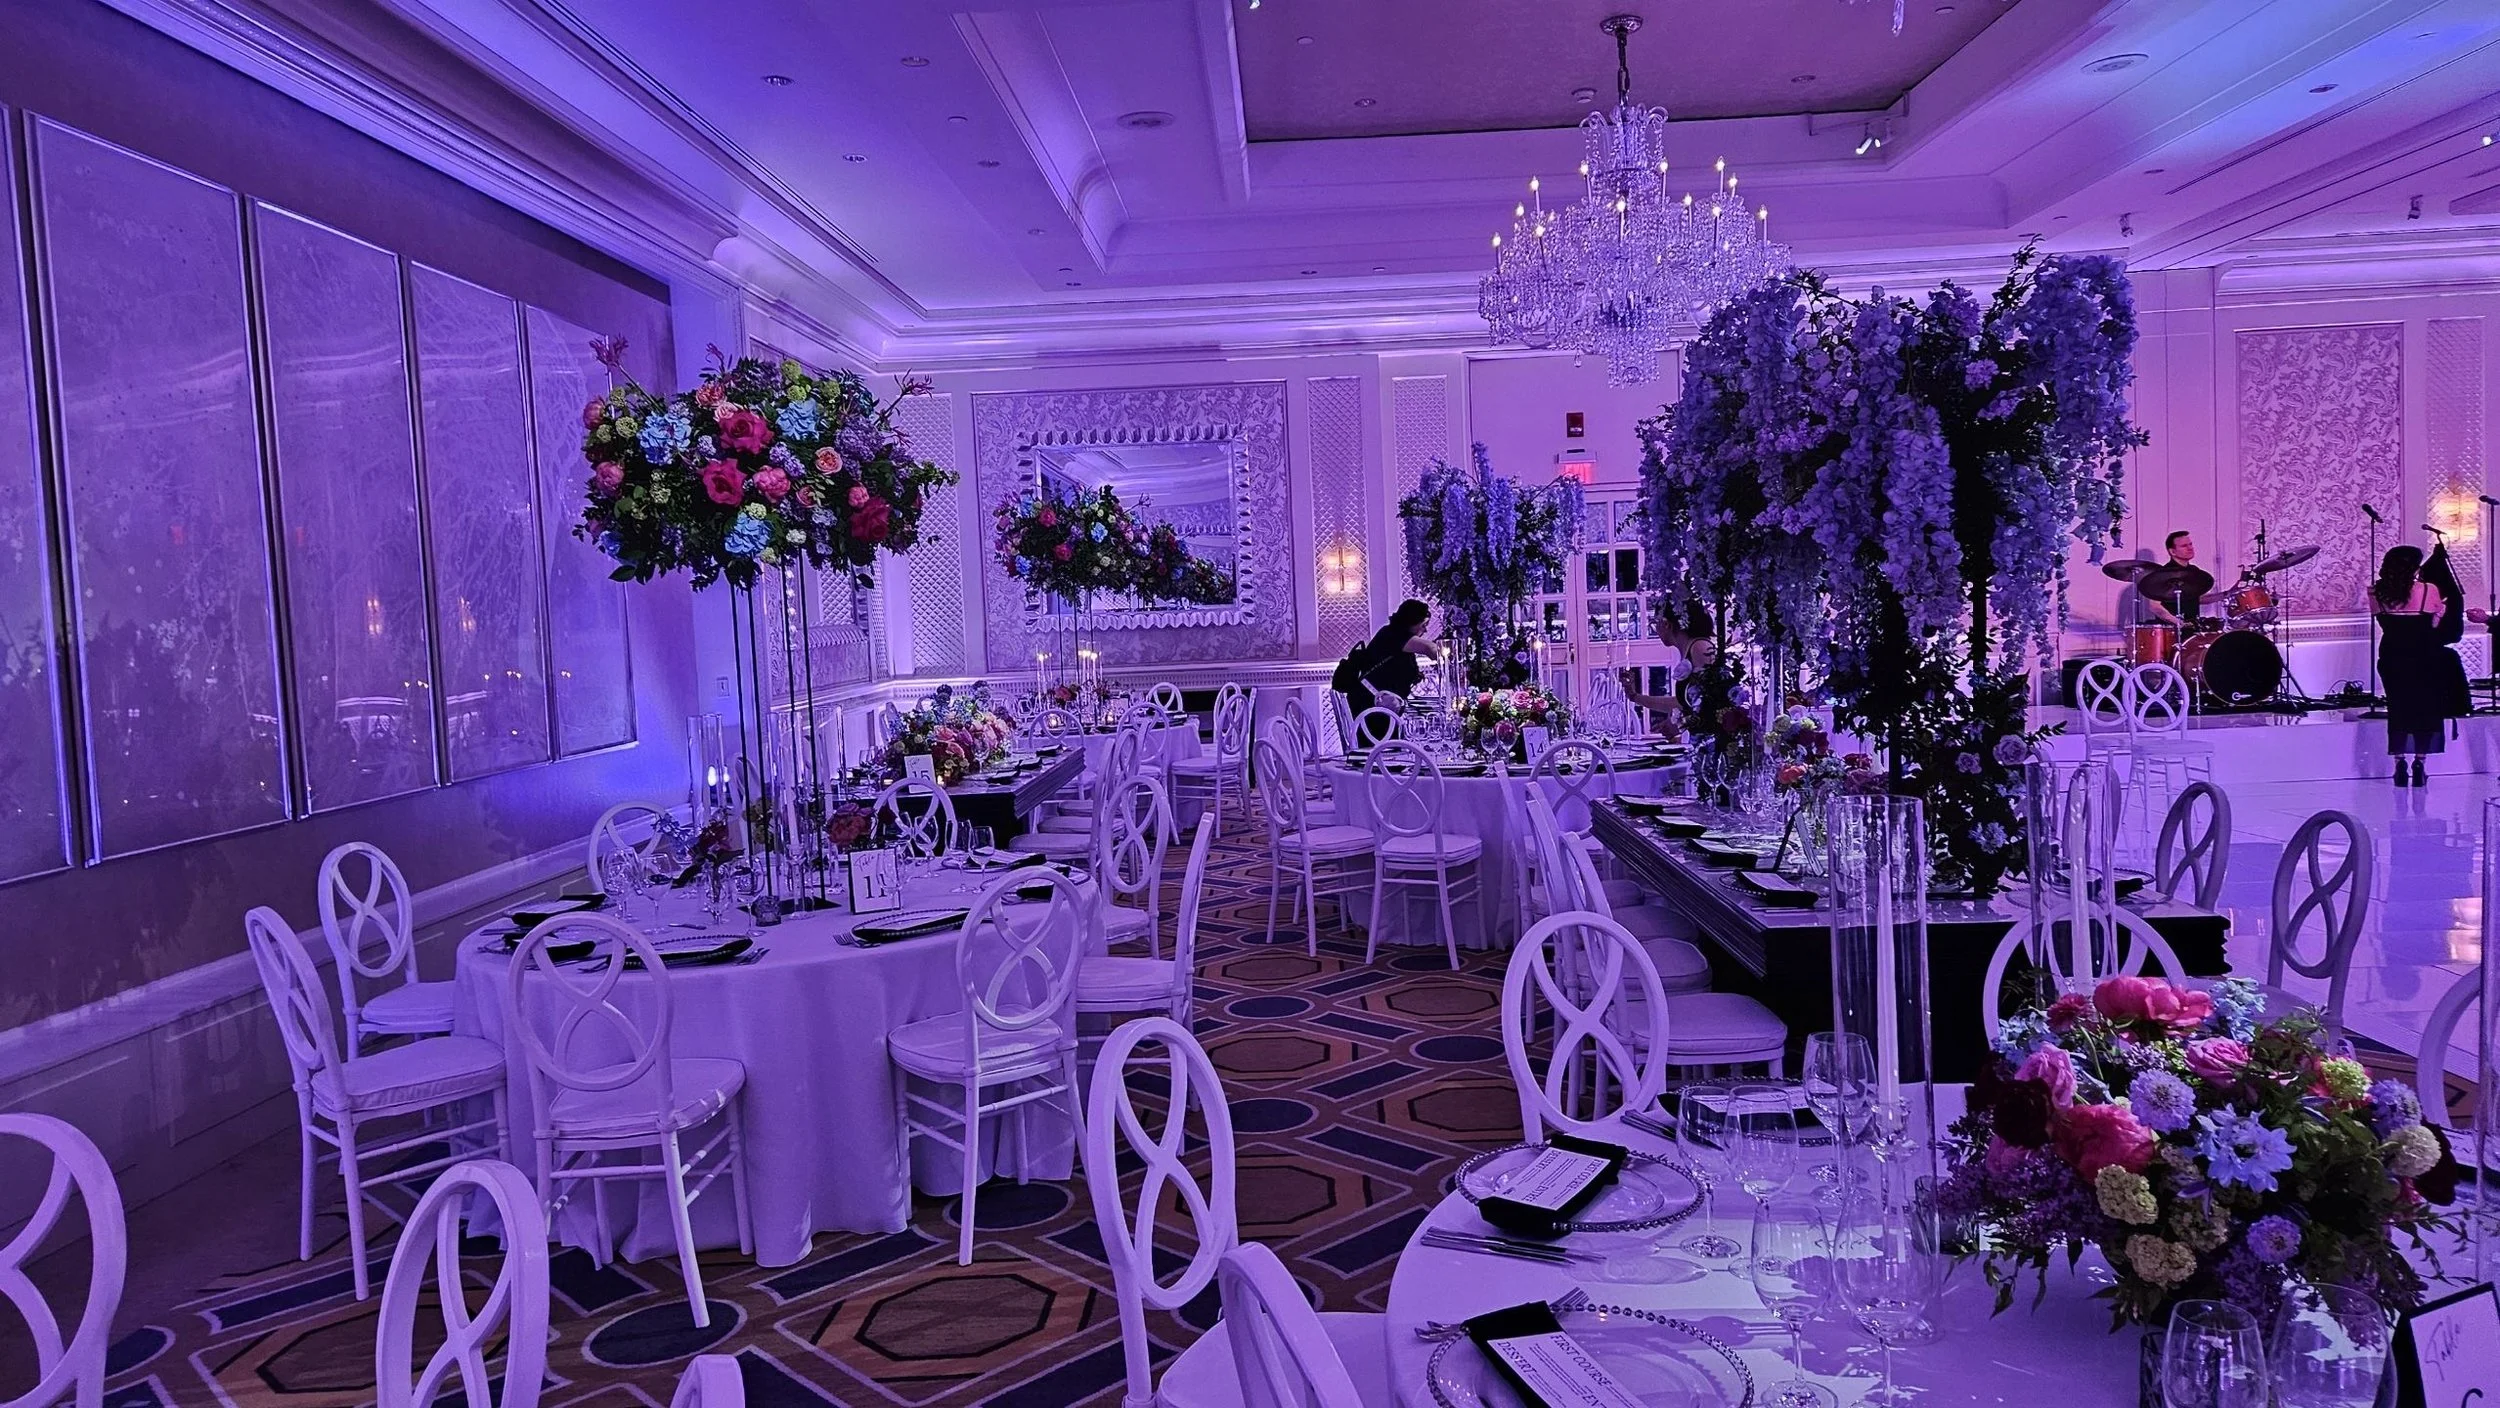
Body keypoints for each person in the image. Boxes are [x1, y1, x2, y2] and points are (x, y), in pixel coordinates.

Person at [2373, 544, 2453, 786]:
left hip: (2393, 656)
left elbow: (2383, 622)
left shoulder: (2376, 592)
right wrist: (2441, 612)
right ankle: (2420, 761)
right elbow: (2433, 627)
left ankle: (2399, 762)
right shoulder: (2430, 589)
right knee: (2425, 708)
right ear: (2416, 567)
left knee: (2399, 708)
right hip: (2425, 655)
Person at [1622, 600, 1719, 736]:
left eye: (1655, 623)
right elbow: (1681, 703)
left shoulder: (1700, 648)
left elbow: (1713, 704)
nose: (1655, 629)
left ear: (1666, 624)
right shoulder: (1689, 649)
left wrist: (1680, 723)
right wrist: (1635, 696)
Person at [1332, 598, 1434, 718]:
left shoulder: (1390, 634)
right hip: (1372, 710)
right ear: (1412, 621)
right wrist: (1452, 654)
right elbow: (1429, 648)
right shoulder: (1395, 636)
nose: (1425, 630)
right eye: (1424, 625)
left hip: (1377, 705)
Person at [2143, 530, 2215, 628]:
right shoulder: (2162, 574)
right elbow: (2155, 606)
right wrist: (2177, 622)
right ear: (2172, 551)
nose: (2190, 548)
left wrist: (2228, 594)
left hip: (2193, 627)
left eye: (2190, 544)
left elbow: (2199, 598)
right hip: (2170, 630)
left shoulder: (2193, 571)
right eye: (2184, 546)